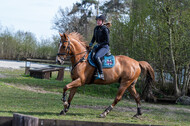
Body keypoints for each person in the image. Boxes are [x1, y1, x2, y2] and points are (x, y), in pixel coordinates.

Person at [89, 15, 110, 80]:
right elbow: (94, 37)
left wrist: (98, 45)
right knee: (90, 55)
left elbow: (107, 41)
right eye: (97, 20)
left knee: (96, 57)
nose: (98, 21)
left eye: (99, 20)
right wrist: (91, 43)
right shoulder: (96, 28)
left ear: (102, 21)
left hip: (104, 47)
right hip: (98, 46)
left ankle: (101, 74)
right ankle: (94, 72)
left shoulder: (105, 29)